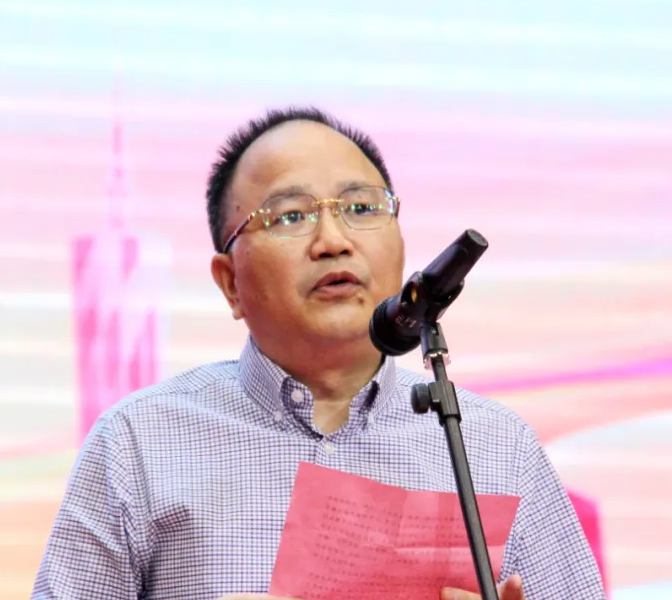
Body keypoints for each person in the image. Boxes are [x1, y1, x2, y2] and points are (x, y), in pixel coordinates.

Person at [31, 107, 605, 600]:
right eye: (290, 216)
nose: (333, 240)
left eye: (362, 208)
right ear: (230, 283)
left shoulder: (494, 447)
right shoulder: (139, 443)